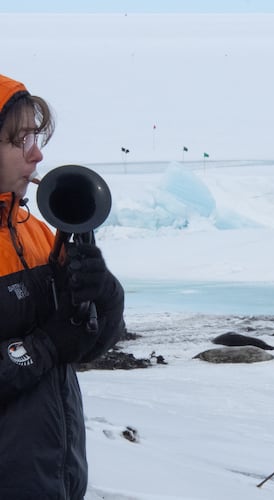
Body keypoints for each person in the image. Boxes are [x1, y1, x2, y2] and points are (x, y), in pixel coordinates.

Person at [0, 74, 125, 499]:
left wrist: (105, 298)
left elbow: (83, 345)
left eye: (35, 138)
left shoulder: (36, 233)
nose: (36, 155)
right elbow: (53, 347)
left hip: (58, 481)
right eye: (19, 142)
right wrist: (45, 346)